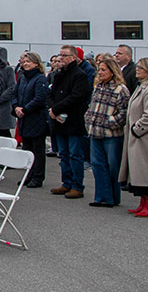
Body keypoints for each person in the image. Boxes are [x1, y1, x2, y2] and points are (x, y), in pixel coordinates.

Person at [121, 57, 148, 218]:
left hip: (146, 138)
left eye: (141, 67)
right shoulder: (143, 87)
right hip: (138, 137)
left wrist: (136, 129)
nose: (137, 70)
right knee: (139, 171)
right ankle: (142, 201)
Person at [85, 59, 130, 207]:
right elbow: (92, 106)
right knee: (98, 165)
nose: (100, 72)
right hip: (95, 132)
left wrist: (109, 122)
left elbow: (123, 113)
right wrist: (89, 119)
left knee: (112, 166)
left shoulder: (120, 89)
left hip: (111, 134)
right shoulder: (98, 87)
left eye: (104, 69)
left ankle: (112, 197)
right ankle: (101, 196)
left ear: (112, 71)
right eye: (99, 69)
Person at [50, 45, 91, 199]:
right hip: (59, 119)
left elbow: (76, 97)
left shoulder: (80, 75)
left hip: (73, 120)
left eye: (65, 55)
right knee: (64, 154)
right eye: (60, 55)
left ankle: (77, 185)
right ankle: (66, 182)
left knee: (75, 154)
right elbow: (51, 93)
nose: (61, 58)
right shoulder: (58, 74)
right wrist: (53, 109)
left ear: (73, 57)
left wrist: (57, 109)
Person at [14, 52, 50, 187]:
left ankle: (38, 176)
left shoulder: (40, 79)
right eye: (24, 61)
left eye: (29, 61)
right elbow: (15, 93)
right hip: (23, 118)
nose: (25, 63)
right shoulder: (22, 77)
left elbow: (40, 98)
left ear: (36, 63)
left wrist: (25, 109)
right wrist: (16, 106)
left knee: (38, 149)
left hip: (35, 118)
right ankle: (28, 174)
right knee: (27, 148)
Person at [0, 46, 17, 138]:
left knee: (4, 132)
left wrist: (0, 99)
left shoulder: (8, 70)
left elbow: (12, 87)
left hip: (4, 106)